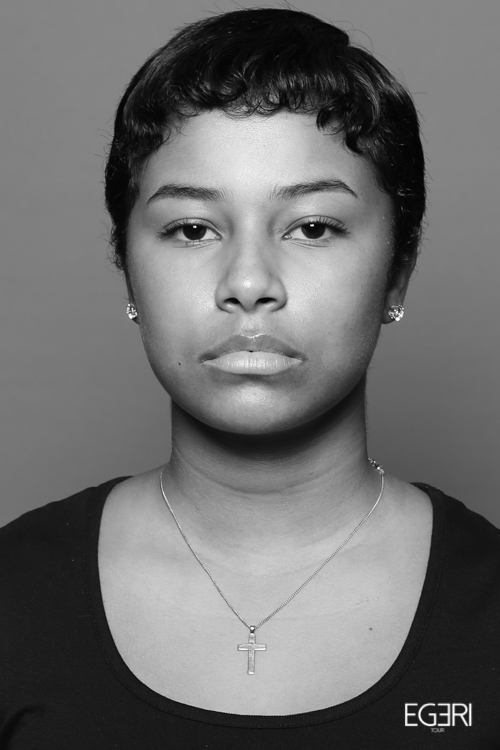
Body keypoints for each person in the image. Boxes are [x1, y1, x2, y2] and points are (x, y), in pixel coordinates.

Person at [1, 7, 499, 748]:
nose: (248, 283)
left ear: (397, 270)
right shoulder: (14, 595)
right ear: (127, 269)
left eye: (313, 227)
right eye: (192, 229)